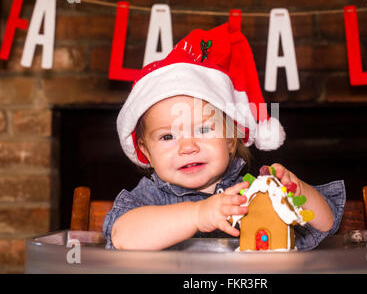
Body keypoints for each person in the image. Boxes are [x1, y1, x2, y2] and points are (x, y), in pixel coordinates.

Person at [103, 22, 345, 251]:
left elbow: (326, 224)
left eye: (203, 130)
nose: (188, 147)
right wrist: (198, 214)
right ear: (146, 153)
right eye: (167, 137)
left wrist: (297, 191)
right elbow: (122, 236)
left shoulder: (250, 193)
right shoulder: (149, 197)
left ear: (231, 140)